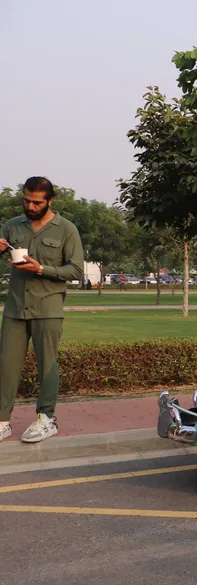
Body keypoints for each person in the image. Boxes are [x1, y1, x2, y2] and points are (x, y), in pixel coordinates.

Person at [0, 177, 84, 443]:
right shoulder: (13, 225)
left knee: (47, 365)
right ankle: (2, 421)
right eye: (26, 200)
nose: (30, 205)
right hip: (14, 307)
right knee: (6, 365)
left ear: (50, 200)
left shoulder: (66, 229)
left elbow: (76, 270)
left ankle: (46, 419)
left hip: (48, 307)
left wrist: (41, 269)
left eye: (37, 202)